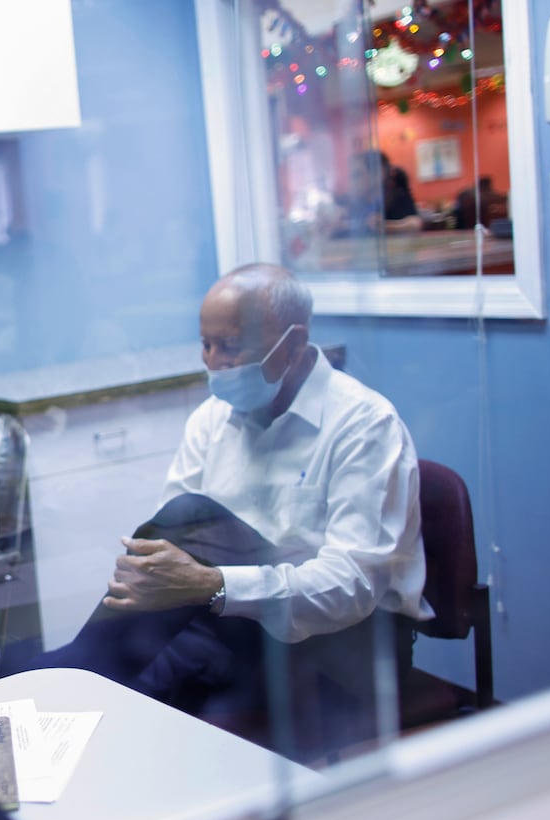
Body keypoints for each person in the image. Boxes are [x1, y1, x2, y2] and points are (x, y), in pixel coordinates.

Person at [27, 264, 432, 761]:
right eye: (206, 344)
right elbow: (170, 564)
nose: (214, 362)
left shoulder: (364, 426)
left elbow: (352, 588)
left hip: (346, 651)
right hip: (234, 629)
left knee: (189, 516)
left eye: (231, 345)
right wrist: (193, 586)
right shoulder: (212, 419)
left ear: (292, 342)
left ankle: (71, 672)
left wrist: (212, 584)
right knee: (110, 716)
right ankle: (50, 704)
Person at [330, 150, 422, 236]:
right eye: (351, 176)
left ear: (378, 175)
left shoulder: (396, 197)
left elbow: (415, 223)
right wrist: (335, 227)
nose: (351, 181)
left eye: (357, 175)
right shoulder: (354, 204)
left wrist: (387, 226)